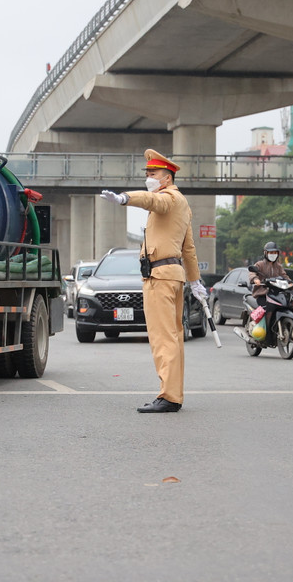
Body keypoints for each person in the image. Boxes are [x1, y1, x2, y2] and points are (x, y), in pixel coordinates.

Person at [100, 149, 205, 413]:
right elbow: (188, 249)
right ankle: (174, 395)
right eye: (147, 173)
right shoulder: (183, 204)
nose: (148, 177)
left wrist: (125, 198)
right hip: (172, 275)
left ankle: (168, 396)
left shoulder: (168, 197)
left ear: (167, 178)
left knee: (162, 338)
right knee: (173, 337)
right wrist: (195, 281)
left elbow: (152, 201)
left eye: (153, 173)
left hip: (159, 276)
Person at [248, 242, 293, 322]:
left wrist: (291, 283)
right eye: (271, 252)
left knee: (286, 304)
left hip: (276, 293)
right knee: (266, 308)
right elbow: (252, 273)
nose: (273, 254)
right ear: (265, 253)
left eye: (275, 252)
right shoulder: (260, 264)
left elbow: (284, 276)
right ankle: (259, 325)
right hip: (262, 293)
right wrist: (255, 279)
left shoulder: (278, 266)